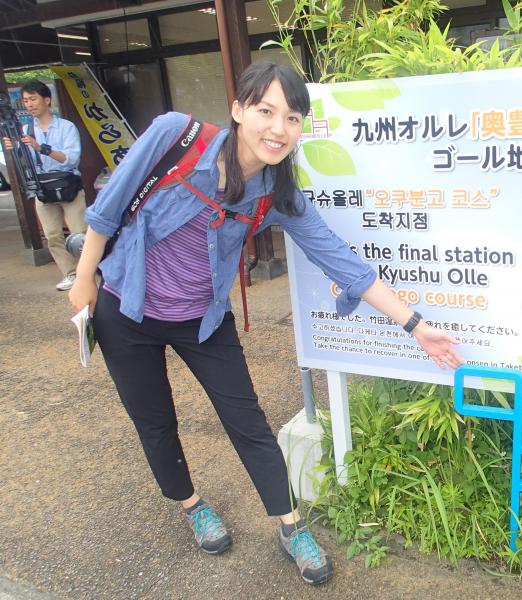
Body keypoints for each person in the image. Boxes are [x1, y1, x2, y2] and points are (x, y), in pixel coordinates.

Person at [68, 61, 464, 586]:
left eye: (292, 117)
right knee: (155, 420)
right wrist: (83, 279)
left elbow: (341, 260)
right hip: (126, 308)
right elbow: (107, 209)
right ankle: (192, 505)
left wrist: (415, 324)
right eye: (265, 111)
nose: (278, 128)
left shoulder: (278, 194)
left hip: (203, 320)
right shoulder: (174, 136)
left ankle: (291, 525)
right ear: (238, 110)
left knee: (249, 422)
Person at [2, 80, 86, 291]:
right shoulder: (25, 130)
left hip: (68, 185)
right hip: (43, 187)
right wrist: (15, 149)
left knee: (80, 233)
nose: (29, 104)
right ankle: (70, 274)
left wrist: (41, 148)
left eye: (33, 99)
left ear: (47, 100)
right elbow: (25, 163)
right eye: (25, 101)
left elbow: (71, 158)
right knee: (52, 235)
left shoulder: (66, 127)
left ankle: (86, 272)